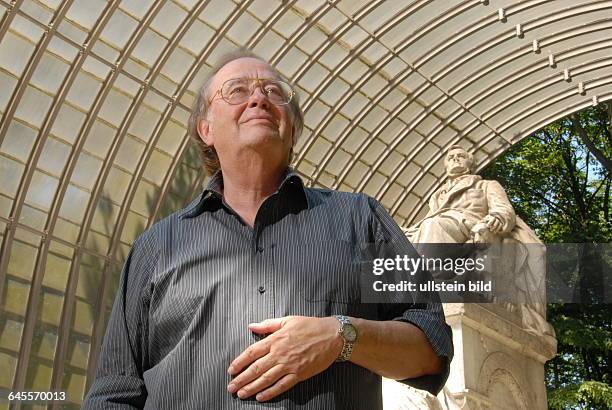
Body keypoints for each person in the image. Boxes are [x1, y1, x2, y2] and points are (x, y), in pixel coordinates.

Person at [83, 49, 453, 409]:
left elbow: (431, 349)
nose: (259, 97)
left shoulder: (359, 219)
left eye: (275, 92)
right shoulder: (155, 247)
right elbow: (115, 393)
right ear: (206, 129)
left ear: (290, 127)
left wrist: (342, 336)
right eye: (238, 90)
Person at [407, 146, 516, 245]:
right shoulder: (437, 195)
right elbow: (427, 220)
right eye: (450, 158)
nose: (455, 159)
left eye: (461, 156)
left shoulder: (486, 185)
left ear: (470, 162)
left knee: (432, 224)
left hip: (467, 224)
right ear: (446, 166)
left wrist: (497, 217)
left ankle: (427, 266)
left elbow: (503, 208)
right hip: (439, 225)